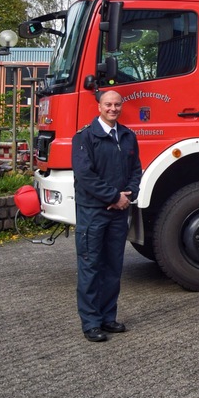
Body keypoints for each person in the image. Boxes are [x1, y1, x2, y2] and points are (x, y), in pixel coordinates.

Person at [71, 89, 141, 343]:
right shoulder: (85, 137)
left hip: (118, 214)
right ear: (99, 106)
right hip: (94, 214)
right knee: (90, 268)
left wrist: (129, 194)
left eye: (117, 104)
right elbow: (85, 175)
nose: (113, 108)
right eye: (108, 104)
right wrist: (114, 197)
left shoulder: (128, 136)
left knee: (113, 267)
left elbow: (136, 170)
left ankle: (108, 317)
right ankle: (91, 323)